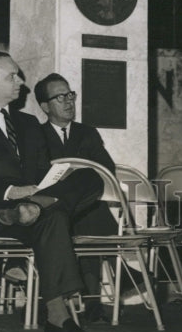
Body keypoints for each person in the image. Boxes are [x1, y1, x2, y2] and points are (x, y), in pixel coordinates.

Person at [0, 51, 106, 332]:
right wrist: (12, 193)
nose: (21, 81)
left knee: (89, 176)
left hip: (32, 206)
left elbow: (43, 170)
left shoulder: (29, 123)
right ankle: (58, 318)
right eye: (12, 76)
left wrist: (51, 183)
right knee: (54, 217)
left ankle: (34, 208)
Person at [34, 73, 148, 317]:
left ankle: (92, 299)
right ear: (45, 106)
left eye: (70, 95)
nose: (68, 101)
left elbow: (105, 171)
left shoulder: (87, 133)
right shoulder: (35, 134)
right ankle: (119, 280)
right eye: (59, 97)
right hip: (53, 207)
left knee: (90, 208)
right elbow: (36, 175)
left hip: (84, 205)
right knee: (77, 213)